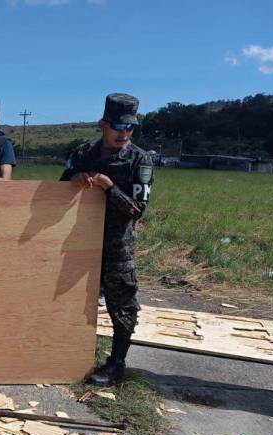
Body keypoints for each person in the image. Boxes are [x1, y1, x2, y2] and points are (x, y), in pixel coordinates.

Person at [60, 93, 154, 387]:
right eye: (118, 127)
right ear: (102, 124)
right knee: (64, 297)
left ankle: (116, 364)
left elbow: (137, 209)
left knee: (122, 305)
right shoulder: (83, 152)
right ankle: (60, 352)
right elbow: (58, 189)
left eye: (130, 128)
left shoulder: (140, 159)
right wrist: (74, 178)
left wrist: (109, 187)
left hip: (117, 244)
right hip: (77, 240)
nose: (124, 133)